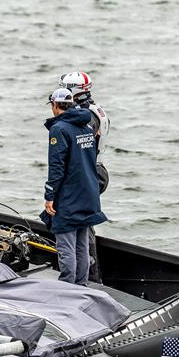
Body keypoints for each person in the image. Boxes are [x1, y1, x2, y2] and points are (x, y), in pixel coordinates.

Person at [41, 88, 107, 286]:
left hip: (68, 197)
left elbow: (57, 166)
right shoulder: (86, 125)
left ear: (55, 105)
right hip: (88, 193)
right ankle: (81, 286)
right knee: (82, 245)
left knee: (66, 245)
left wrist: (50, 195)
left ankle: (67, 288)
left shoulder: (59, 129)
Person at [60, 70, 111, 282]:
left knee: (81, 226)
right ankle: (89, 275)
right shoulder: (92, 110)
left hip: (88, 172)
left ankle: (89, 276)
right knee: (84, 224)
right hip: (95, 170)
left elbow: (82, 148)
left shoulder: (86, 117)